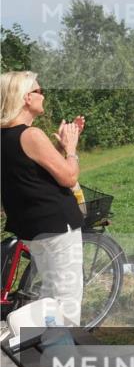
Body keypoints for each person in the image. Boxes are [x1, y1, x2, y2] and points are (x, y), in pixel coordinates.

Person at [0, 71, 85, 327]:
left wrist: (58, 149)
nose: (43, 95)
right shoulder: (31, 135)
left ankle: (39, 344)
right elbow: (69, 177)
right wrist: (71, 149)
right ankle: (59, 347)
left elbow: (29, 172)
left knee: (50, 291)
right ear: (26, 97)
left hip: (31, 229)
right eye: (39, 91)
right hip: (56, 226)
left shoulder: (5, 137)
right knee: (66, 300)